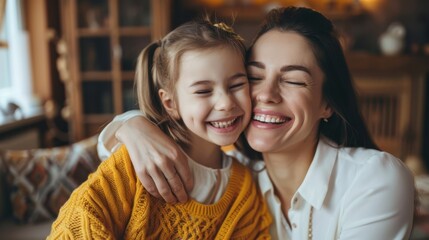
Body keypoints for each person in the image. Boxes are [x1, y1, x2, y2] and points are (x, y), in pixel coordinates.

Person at [98, 6, 415, 239]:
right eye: (253, 78)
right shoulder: (235, 176)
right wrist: (132, 125)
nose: (266, 94)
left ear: (328, 103)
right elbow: (107, 156)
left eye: (292, 80)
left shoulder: (373, 178)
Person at [48, 19, 272, 239]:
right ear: (170, 104)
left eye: (236, 85)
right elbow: (74, 225)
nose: (225, 103)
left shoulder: (246, 191)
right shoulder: (136, 162)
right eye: (203, 91)